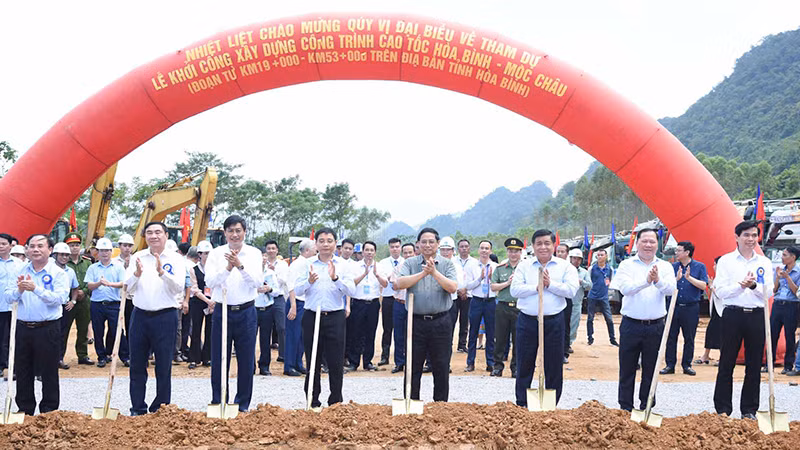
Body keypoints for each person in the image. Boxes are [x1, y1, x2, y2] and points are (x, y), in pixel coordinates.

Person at [611, 228, 676, 412]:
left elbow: (671, 290)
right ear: (637, 243)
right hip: (631, 324)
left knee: (651, 369)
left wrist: (658, 281)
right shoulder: (626, 265)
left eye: (652, 241)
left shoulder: (665, 266)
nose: (648, 245)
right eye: (644, 241)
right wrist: (646, 281)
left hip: (655, 326)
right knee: (627, 368)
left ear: (657, 244)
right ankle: (625, 407)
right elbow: (625, 289)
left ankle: (646, 406)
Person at [713, 220, 774, 419]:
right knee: (727, 361)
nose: (751, 239)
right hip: (733, 314)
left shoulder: (764, 262)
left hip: (756, 315)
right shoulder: (726, 261)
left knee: (754, 364)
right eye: (746, 235)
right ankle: (723, 409)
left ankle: (749, 410)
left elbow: (768, 292)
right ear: (736, 237)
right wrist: (740, 286)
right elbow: (721, 291)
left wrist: (753, 286)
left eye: (754, 235)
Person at [125, 221, 187, 415]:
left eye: (158, 232)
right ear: (145, 237)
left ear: (166, 235)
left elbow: (178, 287)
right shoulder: (137, 257)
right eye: (149, 233)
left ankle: (161, 407)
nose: (153, 236)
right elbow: (127, 288)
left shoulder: (176, 259)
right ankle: (137, 407)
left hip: (165, 316)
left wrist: (162, 273)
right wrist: (136, 274)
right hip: (140, 316)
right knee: (137, 364)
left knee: (163, 364)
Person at [511, 230, 578, 408]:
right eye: (539, 243)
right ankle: (522, 403)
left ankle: (550, 404)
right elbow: (515, 290)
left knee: (553, 363)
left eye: (547, 243)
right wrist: (536, 287)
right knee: (524, 362)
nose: (543, 247)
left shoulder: (565, 267)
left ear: (554, 245)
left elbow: (571, 291)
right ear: (533, 246)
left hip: (554, 321)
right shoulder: (524, 266)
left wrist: (550, 284)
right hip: (527, 320)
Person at [4, 235, 68, 415]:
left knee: (49, 370)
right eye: (31, 246)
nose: (35, 249)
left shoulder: (58, 273)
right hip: (23, 327)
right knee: (23, 369)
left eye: (40, 246)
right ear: (27, 249)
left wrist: (36, 289)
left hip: (48, 328)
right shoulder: (19, 270)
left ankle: (49, 410)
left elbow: (60, 299)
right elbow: (8, 296)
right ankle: (24, 409)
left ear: (50, 249)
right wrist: (19, 290)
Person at [205, 215, 262, 412]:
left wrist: (240, 266)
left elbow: (257, 282)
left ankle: (242, 404)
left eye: (238, 230)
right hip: (222, 311)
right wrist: (228, 268)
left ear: (244, 232)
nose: (235, 234)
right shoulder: (216, 254)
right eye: (230, 231)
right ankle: (219, 401)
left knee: (246, 360)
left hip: (246, 311)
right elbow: (210, 282)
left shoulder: (254, 253)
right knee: (219, 358)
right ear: (225, 233)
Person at [293, 228, 355, 408]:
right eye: (321, 241)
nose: (325, 244)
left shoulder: (343, 265)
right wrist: (309, 282)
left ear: (335, 244)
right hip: (312, 316)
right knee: (313, 359)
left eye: (329, 241)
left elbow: (351, 290)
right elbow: (297, 290)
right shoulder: (307, 264)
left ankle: (335, 401)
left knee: (336, 362)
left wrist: (336, 278)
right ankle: (312, 400)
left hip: (335, 317)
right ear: (316, 244)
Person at [394, 227, 458, 401]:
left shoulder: (447, 264)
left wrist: (434, 272)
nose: (428, 245)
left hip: (441, 321)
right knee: (413, 365)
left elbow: (453, 287)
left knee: (441, 365)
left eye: (431, 242)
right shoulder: (410, 263)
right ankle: (411, 403)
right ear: (418, 244)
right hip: (415, 322)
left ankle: (440, 405)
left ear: (438, 244)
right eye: (424, 242)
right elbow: (399, 283)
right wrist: (423, 273)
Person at [661, 241, 708, 376]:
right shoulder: (672, 267)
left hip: (690, 307)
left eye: (679, 250)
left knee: (689, 337)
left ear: (687, 252)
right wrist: (676, 279)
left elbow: (703, 285)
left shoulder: (699, 267)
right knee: (671, 337)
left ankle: (687, 365)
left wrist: (688, 278)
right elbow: (666, 285)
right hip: (673, 306)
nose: (676, 253)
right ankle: (670, 365)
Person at [84, 237, 128, 368]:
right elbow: (89, 286)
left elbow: (123, 283)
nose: (105, 253)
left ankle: (125, 356)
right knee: (98, 332)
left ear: (111, 251)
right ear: (98, 252)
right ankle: (101, 357)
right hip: (97, 304)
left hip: (114, 304)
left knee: (117, 330)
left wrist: (109, 284)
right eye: (102, 251)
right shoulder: (93, 268)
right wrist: (99, 283)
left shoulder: (118, 267)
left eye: (107, 250)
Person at [346, 241, 388, 372]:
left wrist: (377, 275)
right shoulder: (354, 266)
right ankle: (353, 362)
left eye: (372, 250)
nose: (369, 252)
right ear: (362, 252)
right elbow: (351, 283)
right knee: (355, 333)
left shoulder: (379, 266)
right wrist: (364, 274)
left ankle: (367, 362)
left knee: (370, 333)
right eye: (367, 250)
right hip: (358, 303)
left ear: (375, 252)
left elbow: (385, 284)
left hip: (373, 304)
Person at [490, 237, 524, 378]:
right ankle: (497, 367)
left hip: (519, 308)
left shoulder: (525, 268)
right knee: (500, 338)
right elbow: (493, 287)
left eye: (516, 251)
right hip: (502, 307)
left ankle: (515, 368)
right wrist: (508, 283)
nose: (513, 254)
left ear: (520, 252)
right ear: (507, 252)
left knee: (518, 339)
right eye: (510, 251)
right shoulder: (500, 268)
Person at [465, 240, 497, 372]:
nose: (484, 251)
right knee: (473, 332)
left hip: (491, 302)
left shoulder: (495, 266)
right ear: (478, 250)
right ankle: (470, 362)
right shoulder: (472, 266)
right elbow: (468, 286)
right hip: (476, 301)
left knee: (491, 332)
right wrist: (480, 278)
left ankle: (490, 362)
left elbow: (497, 286)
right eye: (482, 248)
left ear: (491, 251)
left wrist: (491, 278)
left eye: (487, 248)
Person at [285, 238, 315, 377]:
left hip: (305, 303)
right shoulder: (297, 264)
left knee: (302, 335)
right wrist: (293, 306)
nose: (316, 251)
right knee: (293, 335)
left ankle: (298, 363)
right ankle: (289, 365)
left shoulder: (308, 264)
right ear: (307, 250)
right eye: (314, 249)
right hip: (296, 302)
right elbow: (290, 285)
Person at [768, 246, 800, 375]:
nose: (782, 257)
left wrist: (787, 278)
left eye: (785, 255)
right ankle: (769, 364)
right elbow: (774, 289)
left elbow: (797, 291)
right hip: (777, 304)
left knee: (789, 336)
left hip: (792, 305)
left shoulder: (798, 271)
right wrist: (777, 277)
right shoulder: (780, 270)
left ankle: (788, 365)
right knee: (772, 334)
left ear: (793, 257)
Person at [64, 232, 93, 366]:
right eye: (71, 245)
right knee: (64, 330)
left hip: (84, 301)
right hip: (68, 301)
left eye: (77, 245)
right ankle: (59, 357)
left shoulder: (87, 262)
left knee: (83, 329)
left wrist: (84, 291)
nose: (74, 248)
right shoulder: (63, 263)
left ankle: (83, 355)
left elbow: (91, 279)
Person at [389, 243, 416, 374]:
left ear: (415, 253)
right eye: (405, 253)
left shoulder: (419, 268)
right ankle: (399, 362)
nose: (408, 255)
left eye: (410, 252)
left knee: (415, 335)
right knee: (398, 334)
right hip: (399, 303)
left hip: (415, 305)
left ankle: (414, 362)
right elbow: (395, 286)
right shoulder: (398, 268)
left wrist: (403, 282)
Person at [52, 242, 79, 370]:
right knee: (49, 334)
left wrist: (73, 301)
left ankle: (59, 358)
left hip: (64, 307)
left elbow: (75, 288)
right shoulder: (49, 269)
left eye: (66, 255)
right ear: (55, 255)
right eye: (61, 255)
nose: (64, 257)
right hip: (51, 306)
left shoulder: (70, 271)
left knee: (63, 333)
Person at [0, 233, 23, 378]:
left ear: (10, 246)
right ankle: (2, 366)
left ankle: (13, 366)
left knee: (14, 337)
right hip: (0, 306)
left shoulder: (19, 263)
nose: (1, 246)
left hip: (16, 307)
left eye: (3, 244)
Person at [188, 240, 214, 369]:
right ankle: (194, 358)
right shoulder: (193, 269)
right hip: (198, 302)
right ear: (199, 254)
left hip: (212, 302)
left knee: (210, 330)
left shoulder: (214, 269)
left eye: (209, 253)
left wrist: (212, 301)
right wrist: (207, 301)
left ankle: (207, 357)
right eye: (205, 253)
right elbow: (194, 288)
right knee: (196, 330)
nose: (207, 256)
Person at [377, 237, 403, 367]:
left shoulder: (406, 262)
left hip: (402, 299)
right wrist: (392, 274)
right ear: (389, 248)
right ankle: (385, 356)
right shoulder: (383, 263)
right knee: (387, 328)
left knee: (401, 330)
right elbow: (383, 280)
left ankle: (402, 357)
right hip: (388, 298)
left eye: (397, 246)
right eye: (392, 247)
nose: (395, 249)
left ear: (400, 247)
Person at [587, 249, 618, 346]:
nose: (600, 257)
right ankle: (590, 337)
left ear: (606, 256)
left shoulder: (610, 269)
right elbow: (589, 281)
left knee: (609, 319)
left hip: (604, 297)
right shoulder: (592, 268)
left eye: (602, 255)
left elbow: (611, 281)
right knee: (590, 318)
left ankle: (612, 339)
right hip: (592, 296)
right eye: (598, 255)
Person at [696, 256, 723, 366]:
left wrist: (711, 286)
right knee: (711, 332)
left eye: (715, 264)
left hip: (723, 310)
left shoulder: (725, 278)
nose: (713, 266)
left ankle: (722, 356)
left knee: (722, 334)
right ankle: (706, 355)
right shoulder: (717, 277)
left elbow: (721, 294)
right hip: (715, 309)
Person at [114, 233, 135, 367]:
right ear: (120, 246)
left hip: (133, 299)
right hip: (119, 298)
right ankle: (123, 354)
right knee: (118, 327)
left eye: (129, 246)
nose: (127, 248)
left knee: (131, 327)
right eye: (125, 245)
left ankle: (133, 354)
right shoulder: (114, 262)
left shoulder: (136, 260)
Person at [453, 239, 476, 353]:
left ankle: (462, 345)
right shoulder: (453, 261)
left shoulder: (474, 262)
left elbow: (476, 279)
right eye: (461, 246)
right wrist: (458, 290)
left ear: (469, 248)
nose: (464, 248)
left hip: (468, 295)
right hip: (454, 294)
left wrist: (465, 290)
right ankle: (448, 343)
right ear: (458, 248)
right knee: (451, 319)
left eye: (466, 246)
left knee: (465, 320)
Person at [567, 249, 592, 353]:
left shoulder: (584, 272)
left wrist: (582, 282)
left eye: (578, 259)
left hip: (576, 302)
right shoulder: (566, 270)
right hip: (564, 302)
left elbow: (589, 286)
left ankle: (568, 343)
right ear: (570, 258)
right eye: (574, 258)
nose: (576, 261)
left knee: (574, 323)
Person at [555, 244, 573, 363]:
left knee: (565, 326)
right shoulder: (551, 266)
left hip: (566, 299)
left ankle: (564, 352)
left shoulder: (569, 268)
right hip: (553, 299)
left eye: (562, 252)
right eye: (558, 251)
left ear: (567, 254)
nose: (560, 254)